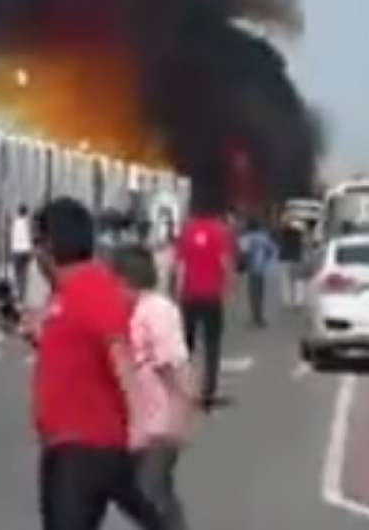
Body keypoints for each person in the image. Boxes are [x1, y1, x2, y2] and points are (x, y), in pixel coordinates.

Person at [31, 197, 162, 530]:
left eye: (36, 242)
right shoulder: (63, 294)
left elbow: (118, 351)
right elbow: (73, 347)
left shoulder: (92, 285)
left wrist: (138, 423)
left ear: (50, 245)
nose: (34, 256)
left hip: (86, 448)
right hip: (65, 443)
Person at [111, 244, 194, 530]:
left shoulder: (158, 310)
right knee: (156, 494)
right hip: (139, 423)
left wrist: (181, 419)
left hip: (161, 423)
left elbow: (175, 367)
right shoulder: (126, 311)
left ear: (125, 279)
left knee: (150, 493)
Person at [173, 200, 235, 411]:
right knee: (212, 344)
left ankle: (185, 388)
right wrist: (227, 288)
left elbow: (180, 266)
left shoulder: (186, 232)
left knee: (186, 345)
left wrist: (177, 292)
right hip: (211, 295)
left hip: (189, 294)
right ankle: (208, 390)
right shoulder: (220, 232)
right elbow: (224, 262)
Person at [238, 219, 278, 328]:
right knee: (260, 293)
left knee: (252, 294)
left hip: (252, 268)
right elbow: (272, 250)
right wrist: (267, 262)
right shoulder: (264, 237)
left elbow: (243, 251)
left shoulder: (247, 237)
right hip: (262, 268)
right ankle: (260, 317)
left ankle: (255, 318)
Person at [276, 217, 306, 308]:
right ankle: (298, 301)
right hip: (296, 258)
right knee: (298, 281)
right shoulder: (299, 233)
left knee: (286, 282)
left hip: (286, 259)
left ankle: (288, 301)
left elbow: (280, 232)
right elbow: (304, 243)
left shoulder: (284, 232)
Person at [10, 204, 35, 304]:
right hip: (25, 250)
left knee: (17, 273)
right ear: (26, 212)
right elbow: (31, 237)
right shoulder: (29, 223)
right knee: (24, 273)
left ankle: (19, 293)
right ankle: (22, 295)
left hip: (16, 250)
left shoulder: (14, 222)